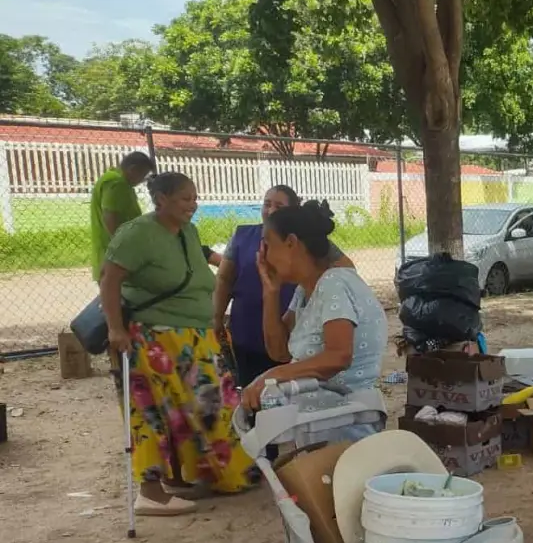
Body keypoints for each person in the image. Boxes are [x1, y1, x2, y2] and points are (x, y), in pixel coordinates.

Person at [100, 172, 257, 515]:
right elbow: (109, 280)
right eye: (185, 199)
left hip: (194, 336)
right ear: (161, 200)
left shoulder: (187, 230)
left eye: (194, 197)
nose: (193, 204)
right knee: (153, 411)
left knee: (209, 406)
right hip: (154, 337)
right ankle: (150, 492)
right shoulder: (137, 233)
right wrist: (116, 328)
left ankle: (209, 475)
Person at [240, 201, 387, 442]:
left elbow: (339, 355)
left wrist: (272, 376)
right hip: (320, 423)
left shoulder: (334, 283)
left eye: (267, 245)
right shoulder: (305, 291)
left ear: (291, 243)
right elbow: (278, 352)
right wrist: (271, 292)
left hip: (344, 425)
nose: (262, 256)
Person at [213, 185, 353, 388]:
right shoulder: (243, 236)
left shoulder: (317, 259)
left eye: (278, 205)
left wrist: (312, 290)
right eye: (266, 204)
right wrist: (217, 317)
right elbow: (224, 279)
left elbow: (339, 356)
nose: (270, 211)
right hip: (248, 329)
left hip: (292, 334)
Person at [90, 152, 155, 283]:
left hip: (112, 252)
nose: (141, 180)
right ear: (132, 169)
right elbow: (110, 217)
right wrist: (121, 246)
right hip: (117, 255)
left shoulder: (114, 178)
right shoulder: (117, 184)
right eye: (142, 175)